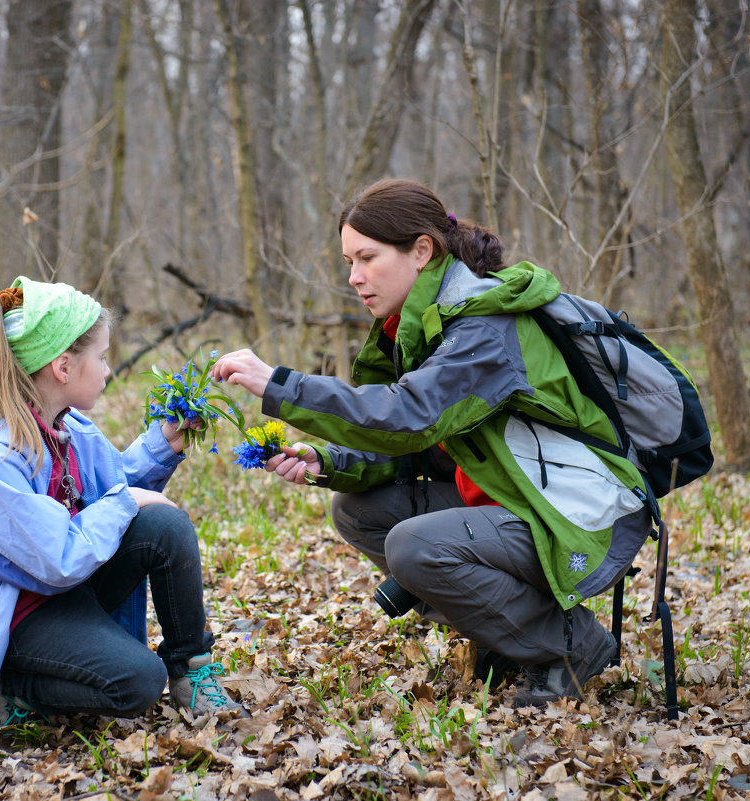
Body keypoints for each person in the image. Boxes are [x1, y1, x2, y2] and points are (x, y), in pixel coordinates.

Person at [211, 178, 653, 707]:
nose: (354, 277)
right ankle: (510, 636)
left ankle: (571, 645)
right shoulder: (424, 326)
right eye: (349, 262)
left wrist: (279, 384)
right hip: (511, 498)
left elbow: (410, 415)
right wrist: (328, 459)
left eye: (367, 258)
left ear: (421, 251)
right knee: (358, 510)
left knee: (413, 546)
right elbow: (423, 443)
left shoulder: (484, 325)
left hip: (571, 512)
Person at [0, 276, 244, 739]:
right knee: (138, 683)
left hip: (67, 594)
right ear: (63, 367)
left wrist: (162, 446)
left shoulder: (68, 427)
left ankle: (192, 671)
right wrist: (127, 500)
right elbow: (59, 557)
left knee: (165, 524)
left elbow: (114, 492)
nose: (107, 370)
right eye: (101, 358)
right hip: (13, 621)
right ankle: (12, 685)